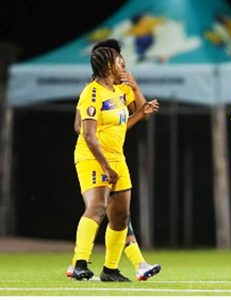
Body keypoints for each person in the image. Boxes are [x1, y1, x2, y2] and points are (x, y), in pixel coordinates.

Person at [67, 39, 161, 282]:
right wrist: (107, 167)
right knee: (97, 206)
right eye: (121, 63)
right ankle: (79, 263)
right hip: (92, 157)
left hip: (117, 157)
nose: (125, 68)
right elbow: (86, 134)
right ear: (109, 67)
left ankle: (110, 270)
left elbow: (125, 124)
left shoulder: (120, 91)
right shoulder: (92, 92)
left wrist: (141, 108)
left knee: (121, 216)